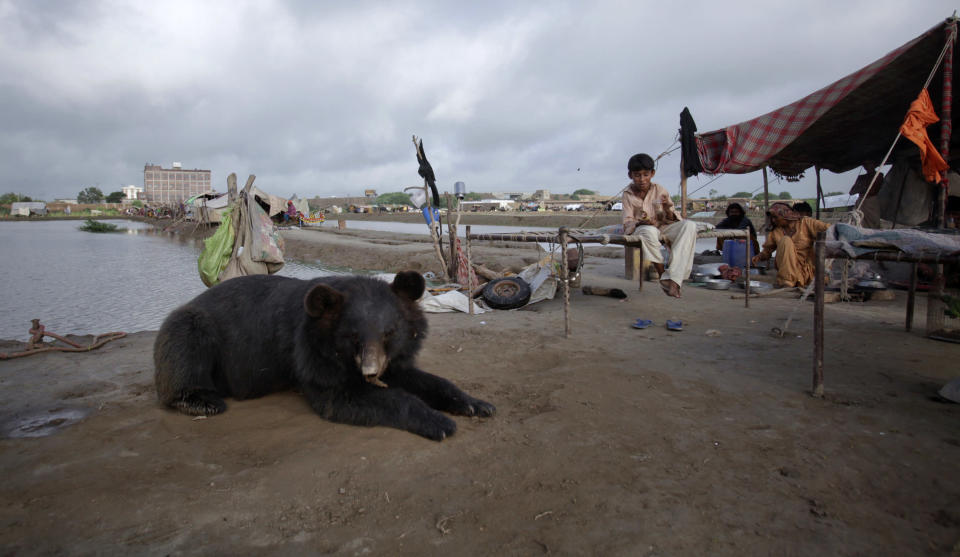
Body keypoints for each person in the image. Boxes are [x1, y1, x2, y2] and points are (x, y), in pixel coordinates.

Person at [621, 153, 697, 298]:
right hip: (642, 229)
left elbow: (671, 218)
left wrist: (668, 210)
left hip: (662, 227)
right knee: (648, 231)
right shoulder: (627, 194)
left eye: (645, 174)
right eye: (637, 175)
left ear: (652, 174)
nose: (642, 179)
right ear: (630, 175)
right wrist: (640, 222)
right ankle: (663, 275)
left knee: (689, 226)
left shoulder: (660, 190)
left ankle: (674, 279)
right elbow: (627, 221)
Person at [750, 202, 830, 287]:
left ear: (785, 216)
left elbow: (829, 229)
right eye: (772, 218)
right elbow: (767, 251)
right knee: (785, 240)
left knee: (786, 240)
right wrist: (758, 257)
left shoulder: (806, 223)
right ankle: (787, 281)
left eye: (775, 217)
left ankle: (796, 280)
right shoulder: (776, 232)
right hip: (786, 272)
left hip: (806, 271)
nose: (773, 220)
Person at [849, 161, 884, 228]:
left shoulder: (879, 175)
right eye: (865, 165)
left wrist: (863, 188)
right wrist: (862, 187)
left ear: (874, 165)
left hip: (871, 202)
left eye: (869, 164)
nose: (866, 166)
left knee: (874, 222)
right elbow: (851, 192)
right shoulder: (861, 177)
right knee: (859, 221)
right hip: (861, 202)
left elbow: (874, 190)